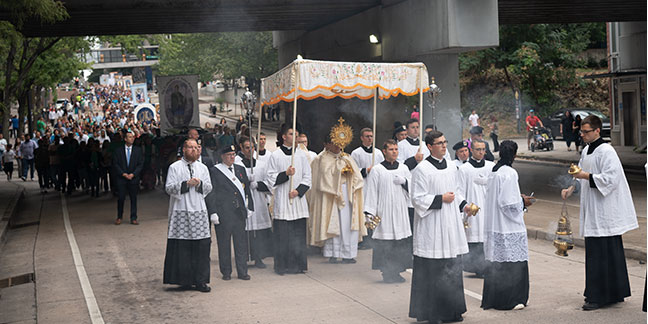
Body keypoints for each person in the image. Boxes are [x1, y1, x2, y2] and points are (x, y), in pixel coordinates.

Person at [561, 115, 638, 311]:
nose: (583, 135)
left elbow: (611, 179)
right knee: (601, 253)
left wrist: (584, 176)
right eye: (581, 132)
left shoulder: (607, 151)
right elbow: (579, 172)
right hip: (593, 209)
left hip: (605, 210)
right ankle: (613, 292)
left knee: (603, 254)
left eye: (586, 132)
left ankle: (599, 296)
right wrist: (571, 188)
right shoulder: (586, 151)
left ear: (597, 131)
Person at [409, 130, 472, 324]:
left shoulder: (452, 167)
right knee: (433, 269)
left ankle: (452, 311)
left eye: (445, 142)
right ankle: (432, 313)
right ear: (429, 146)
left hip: (450, 224)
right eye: (439, 143)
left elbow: (458, 191)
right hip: (432, 227)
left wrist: (464, 205)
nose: (444, 146)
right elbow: (417, 199)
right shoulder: (422, 169)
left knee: (452, 268)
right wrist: (440, 199)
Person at [482, 140, 535, 310]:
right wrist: (524, 201)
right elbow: (508, 204)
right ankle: (512, 300)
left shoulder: (494, 171)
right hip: (507, 227)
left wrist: (516, 197)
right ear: (514, 155)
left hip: (494, 224)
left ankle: (495, 300)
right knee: (512, 262)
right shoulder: (510, 173)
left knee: (498, 262)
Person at [163, 138, 213, 292]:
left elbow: (209, 187)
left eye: (196, 148)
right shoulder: (175, 167)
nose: (194, 150)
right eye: (190, 148)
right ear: (183, 150)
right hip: (181, 210)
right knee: (182, 247)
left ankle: (200, 281)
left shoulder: (203, 168)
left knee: (201, 246)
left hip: (198, 209)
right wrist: (185, 184)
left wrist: (199, 184)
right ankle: (183, 280)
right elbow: (169, 187)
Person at [309, 132, 366, 264]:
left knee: (347, 224)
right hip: (330, 197)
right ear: (327, 144)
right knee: (333, 223)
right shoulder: (321, 159)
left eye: (340, 143)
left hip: (347, 194)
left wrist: (350, 173)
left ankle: (348, 254)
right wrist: (338, 172)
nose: (337, 146)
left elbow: (358, 177)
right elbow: (322, 179)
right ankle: (333, 253)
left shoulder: (347, 158)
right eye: (334, 143)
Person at [364, 139, 412, 283]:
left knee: (399, 243)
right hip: (384, 210)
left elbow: (414, 190)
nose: (394, 152)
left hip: (400, 209)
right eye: (391, 149)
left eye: (396, 149)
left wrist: (405, 182)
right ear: (384, 151)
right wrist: (369, 213)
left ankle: (397, 271)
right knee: (386, 243)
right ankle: (387, 271)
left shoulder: (403, 168)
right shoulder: (377, 170)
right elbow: (372, 191)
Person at [266, 124, 311, 275]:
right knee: (283, 236)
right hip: (283, 201)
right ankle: (282, 266)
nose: (295, 137)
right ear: (284, 137)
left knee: (298, 235)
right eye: (292, 134)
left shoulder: (301, 155)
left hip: (297, 200)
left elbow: (307, 177)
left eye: (297, 135)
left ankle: (297, 265)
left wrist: (298, 191)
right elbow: (270, 178)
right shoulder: (276, 155)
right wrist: (285, 174)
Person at [206, 144, 254, 281]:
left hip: (238, 212)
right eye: (229, 155)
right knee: (224, 244)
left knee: (241, 244)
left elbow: (246, 190)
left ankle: (242, 271)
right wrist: (213, 212)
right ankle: (226, 272)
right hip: (223, 212)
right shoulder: (215, 171)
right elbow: (212, 192)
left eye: (233, 154)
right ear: (222, 156)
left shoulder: (240, 169)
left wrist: (250, 206)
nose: (232, 157)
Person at [457, 140, 494, 278]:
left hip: (488, 208)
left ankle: (488, 267)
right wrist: (465, 205)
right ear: (471, 150)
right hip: (473, 210)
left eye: (483, 149)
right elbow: (458, 191)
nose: (481, 152)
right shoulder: (464, 169)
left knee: (487, 239)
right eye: (478, 149)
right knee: (475, 238)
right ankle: (477, 267)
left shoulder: (491, 167)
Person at [234, 136, 273, 269]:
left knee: (258, 232)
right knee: (245, 231)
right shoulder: (237, 164)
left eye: (252, 147)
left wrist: (258, 184)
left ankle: (258, 257)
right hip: (245, 201)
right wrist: (245, 182)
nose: (250, 150)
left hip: (259, 200)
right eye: (247, 148)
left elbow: (270, 183)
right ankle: (244, 257)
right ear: (241, 148)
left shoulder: (261, 164)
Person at [350, 128, 384, 250]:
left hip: (375, 186)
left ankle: (374, 237)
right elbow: (353, 171)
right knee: (364, 212)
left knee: (374, 211)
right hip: (363, 185)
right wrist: (365, 170)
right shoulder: (356, 153)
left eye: (371, 136)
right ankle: (364, 239)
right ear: (362, 138)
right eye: (367, 136)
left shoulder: (378, 153)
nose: (370, 138)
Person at [112, 131, 144, 225]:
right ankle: (119, 216)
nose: (132, 138)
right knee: (121, 198)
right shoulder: (119, 150)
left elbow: (140, 164)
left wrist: (133, 174)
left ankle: (133, 217)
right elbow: (116, 164)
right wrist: (123, 174)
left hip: (133, 178)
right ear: (125, 139)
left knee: (133, 198)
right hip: (122, 178)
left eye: (132, 137)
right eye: (129, 137)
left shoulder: (138, 150)